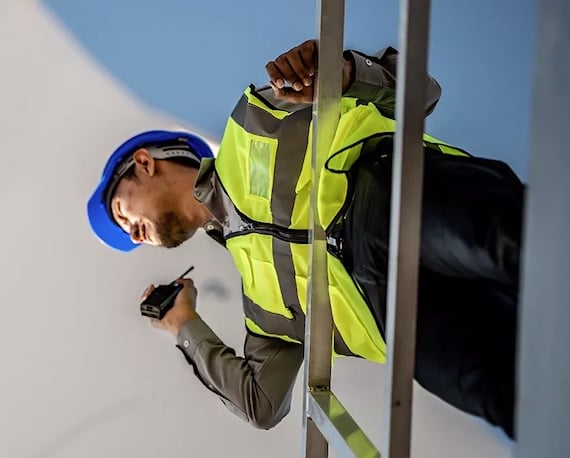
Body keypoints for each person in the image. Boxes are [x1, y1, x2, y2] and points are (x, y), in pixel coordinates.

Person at [86, 39, 522, 438]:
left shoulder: (254, 119)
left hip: (387, 200)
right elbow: (260, 405)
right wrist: (184, 326)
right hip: (400, 322)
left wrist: (344, 75)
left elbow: (420, 92)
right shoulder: (261, 307)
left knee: (517, 246)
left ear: (144, 163)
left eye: (123, 213)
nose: (134, 234)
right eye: (129, 236)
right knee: (511, 395)